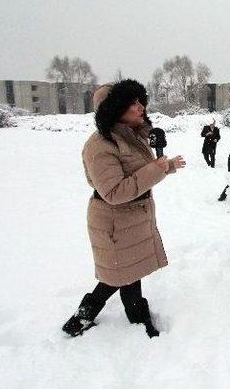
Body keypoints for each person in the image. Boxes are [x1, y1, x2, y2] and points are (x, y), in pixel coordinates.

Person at [62, 80, 186, 339]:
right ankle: (122, 318)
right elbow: (114, 192)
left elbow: (138, 171)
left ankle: (94, 316)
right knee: (119, 272)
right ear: (114, 109)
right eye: (132, 103)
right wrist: (158, 168)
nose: (140, 107)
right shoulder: (101, 145)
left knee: (128, 270)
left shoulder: (130, 136)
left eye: (141, 101)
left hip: (133, 216)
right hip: (115, 220)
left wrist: (167, 165)